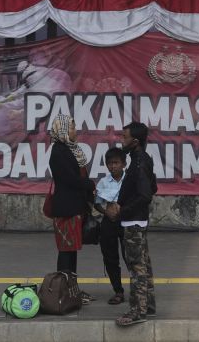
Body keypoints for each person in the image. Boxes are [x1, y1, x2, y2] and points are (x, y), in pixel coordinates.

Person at [108, 122, 157, 326]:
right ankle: (149, 305)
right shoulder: (141, 159)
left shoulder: (139, 163)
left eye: (124, 137)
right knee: (144, 264)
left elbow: (146, 194)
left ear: (135, 142)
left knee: (136, 268)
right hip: (136, 219)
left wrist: (121, 210)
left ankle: (137, 310)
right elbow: (153, 186)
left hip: (134, 221)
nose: (121, 140)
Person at [48, 113, 96, 305]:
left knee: (72, 250)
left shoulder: (70, 149)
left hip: (75, 207)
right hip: (66, 209)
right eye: (72, 128)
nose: (76, 131)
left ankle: (72, 289)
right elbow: (70, 180)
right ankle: (63, 290)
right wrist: (89, 184)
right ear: (63, 131)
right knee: (66, 251)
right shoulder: (59, 152)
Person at [94, 147, 127, 305]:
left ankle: (139, 290)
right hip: (109, 222)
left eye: (116, 163)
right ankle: (118, 290)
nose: (113, 166)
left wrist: (122, 210)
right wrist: (106, 212)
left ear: (124, 164)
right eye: (110, 163)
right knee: (110, 258)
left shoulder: (129, 180)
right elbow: (97, 204)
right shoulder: (103, 182)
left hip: (127, 220)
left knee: (131, 257)